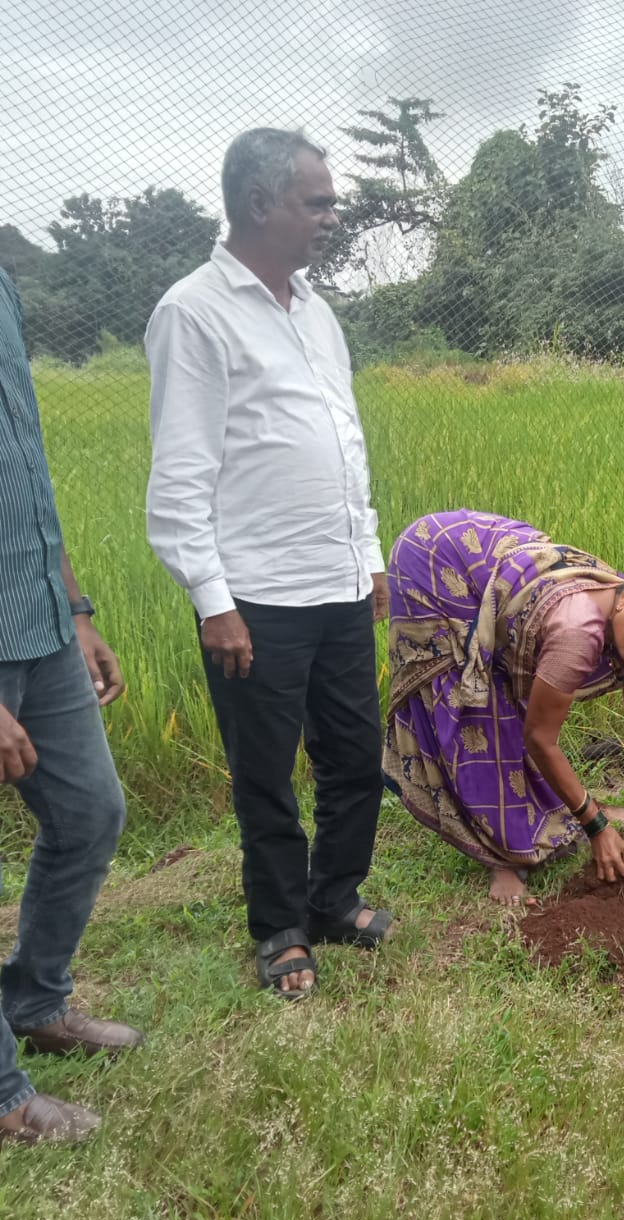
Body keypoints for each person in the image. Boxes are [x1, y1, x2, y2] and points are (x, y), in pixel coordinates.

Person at [146, 129, 391, 1001]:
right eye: (315, 201)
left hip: (334, 585)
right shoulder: (195, 311)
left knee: (357, 757)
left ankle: (335, 899)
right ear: (259, 205)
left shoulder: (316, 312)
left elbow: (344, 442)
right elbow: (179, 478)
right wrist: (215, 602)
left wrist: (366, 555)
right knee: (267, 775)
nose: (332, 215)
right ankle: (281, 928)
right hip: (255, 598)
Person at [382, 510, 624, 906]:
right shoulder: (577, 633)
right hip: (438, 559)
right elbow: (540, 738)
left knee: (517, 700)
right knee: (478, 708)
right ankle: (502, 858)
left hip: (495, 562)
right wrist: (597, 828)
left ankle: (531, 821)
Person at [0, 268, 141, 1147]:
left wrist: (75, 605)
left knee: (91, 812)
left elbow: (24, 475)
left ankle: (34, 1000)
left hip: (37, 614)